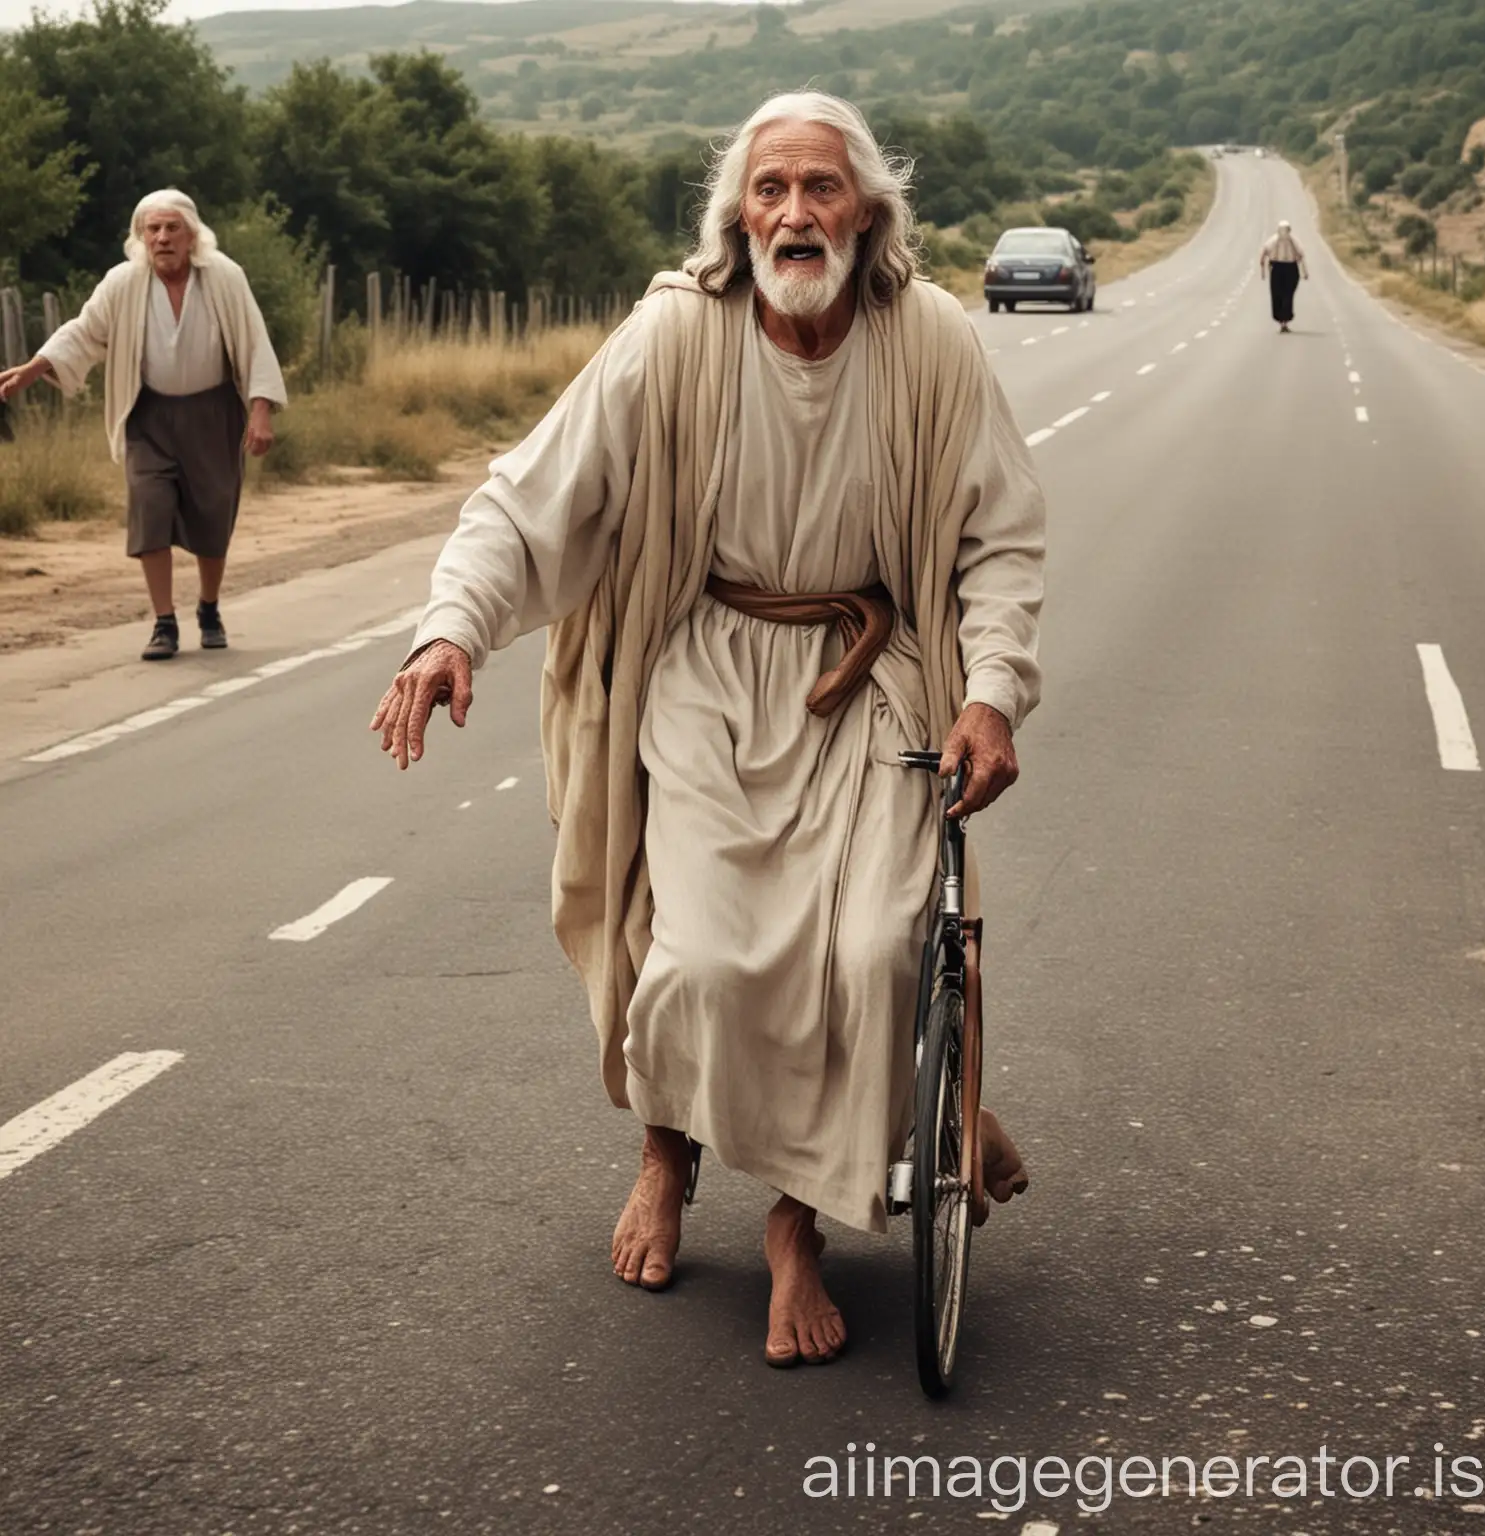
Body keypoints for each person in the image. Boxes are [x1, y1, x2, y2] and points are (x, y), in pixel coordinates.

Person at [371, 91, 1045, 1369]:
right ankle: (665, 1153)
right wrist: (449, 627)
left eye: (822, 189)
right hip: (707, 677)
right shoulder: (673, 337)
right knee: (709, 963)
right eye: (770, 190)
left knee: (867, 953)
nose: (796, 215)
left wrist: (990, 691)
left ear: (869, 211)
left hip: (870, 675)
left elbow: (999, 540)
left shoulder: (935, 341)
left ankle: (799, 1221)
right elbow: (531, 500)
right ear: (739, 215)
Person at [0, 190, 286, 660]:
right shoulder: (123, 282)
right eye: (153, 229)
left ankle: (208, 608)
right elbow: (85, 330)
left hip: (213, 413)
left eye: (172, 228)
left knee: (213, 516)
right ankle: (164, 623)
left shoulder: (224, 278)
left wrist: (260, 410)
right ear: (140, 237)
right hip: (148, 416)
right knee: (149, 512)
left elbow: (255, 341)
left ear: (192, 235)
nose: (162, 237)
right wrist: (34, 367)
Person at [1260, 220, 1308, 333]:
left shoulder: (1291, 241)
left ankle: (1284, 320)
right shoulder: (1275, 240)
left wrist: (1304, 271)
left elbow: (1300, 255)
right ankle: (1283, 320)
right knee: (1279, 295)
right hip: (1279, 268)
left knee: (1286, 295)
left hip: (1288, 268)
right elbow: (1265, 252)